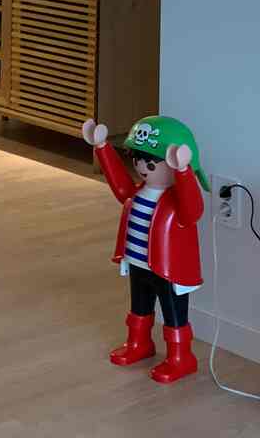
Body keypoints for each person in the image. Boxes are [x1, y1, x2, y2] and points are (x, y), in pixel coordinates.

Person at [83, 115, 210, 384]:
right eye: (138, 160)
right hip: (139, 263)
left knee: (174, 314)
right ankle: (139, 343)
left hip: (169, 270)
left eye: (150, 162)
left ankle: (181, 357)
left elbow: (193, 209)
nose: (142, 167)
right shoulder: (139, 191)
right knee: (139, 307)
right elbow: (120, 188)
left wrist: (185, 172)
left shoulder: (176, 201)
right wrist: (102, 147)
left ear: (174, 164)